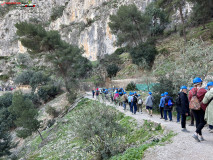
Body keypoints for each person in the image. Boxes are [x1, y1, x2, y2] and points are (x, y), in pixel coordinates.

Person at [189, 77, 207, 142]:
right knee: (203, 122)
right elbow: (206, 99)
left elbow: (189, 99)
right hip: (201, 108)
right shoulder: (203, 90)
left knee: (198, 121)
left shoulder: (191, 91)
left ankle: (201, 136)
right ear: (200, 83)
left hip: (193, 108)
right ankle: (196, 133)